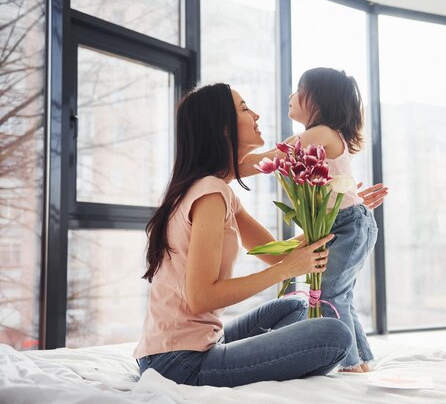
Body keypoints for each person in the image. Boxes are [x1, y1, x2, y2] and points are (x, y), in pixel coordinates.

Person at [133, 83, 353, 387]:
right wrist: (287, 270)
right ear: (224, 128)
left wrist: (342, 209)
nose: (256, 114)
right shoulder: (210, 194)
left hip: (183, 348)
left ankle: (251, 359)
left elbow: (274, 252)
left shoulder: (214, 188)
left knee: (295, 306)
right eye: (245, 108)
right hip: (180, 362)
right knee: (335, 335)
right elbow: (201, 298)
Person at [243, 67, 385, 373]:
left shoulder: (319, 133)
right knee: (340, 295)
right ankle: (360, 362)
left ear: (317, 100)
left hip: (347, 224)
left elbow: (266, 159)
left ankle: (346, 363)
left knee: (331, 294)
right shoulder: (326, 135)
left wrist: (219, 163)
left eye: (297, 90)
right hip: (349, 222)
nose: (290, 96)